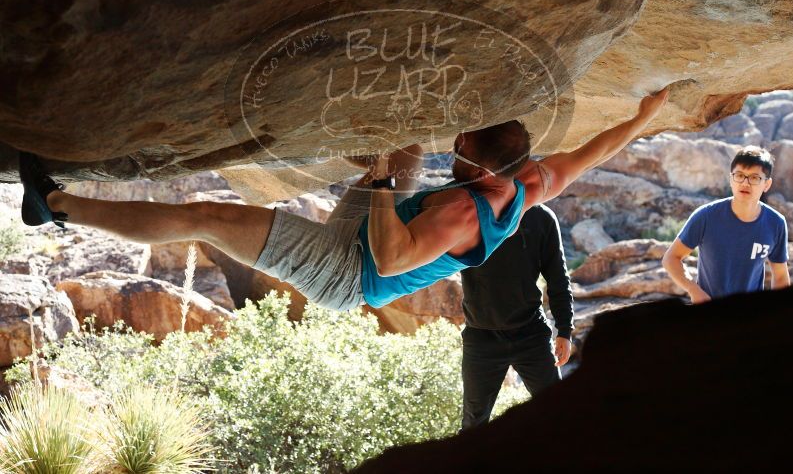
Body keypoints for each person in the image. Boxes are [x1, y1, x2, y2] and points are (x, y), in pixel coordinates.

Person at [19, 89, 669, 312]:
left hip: (349, 271)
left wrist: (381, 182)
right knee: (406, 148)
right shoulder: (527, 181)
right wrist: (645, 115)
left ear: (478, 168)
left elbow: (390, 259)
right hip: (377, 233)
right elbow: (596, 151)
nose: (454, 144)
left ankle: (56, 206)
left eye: (461, 146)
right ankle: (331, 155)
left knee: (207, 217)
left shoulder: (457, 215)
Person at [460, 204, 573, 430]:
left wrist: (565, 330)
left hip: (531, 333)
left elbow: (558, 277)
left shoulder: (541, 217)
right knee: (473, 424)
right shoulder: (470, 210)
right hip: (482, 338)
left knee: (558, 412)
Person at [662, 146, 791, 303]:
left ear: (766, 184)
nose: (745, 183)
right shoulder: (706, 216)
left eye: (754, 178)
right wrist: (693, 290)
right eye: (739, 175)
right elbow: (671, 258)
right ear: (731, 179)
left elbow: (781, 276)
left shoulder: (776, 223)